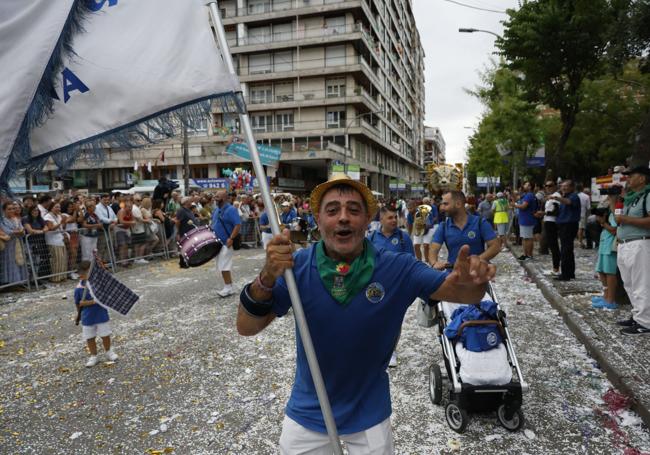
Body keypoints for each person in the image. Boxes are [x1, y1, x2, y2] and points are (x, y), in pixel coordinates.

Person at [236, 176, 495, 453]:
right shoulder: (295, 267)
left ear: (367, 219)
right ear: (318, 220)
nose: (344, 218)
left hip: (369, 413)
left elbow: (462, 294)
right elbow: (247, 326)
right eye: (333, 210)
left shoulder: (398, 267)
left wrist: (472, 282)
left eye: (354, 210)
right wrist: (265, 276)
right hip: (309, 412)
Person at [368, 205, 415, 368]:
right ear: (381, 219)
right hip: (375, 287)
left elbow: (411, 263)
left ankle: (391, 351)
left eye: (395, 217)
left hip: (397, 286)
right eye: (390, 217)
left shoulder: (404, 238)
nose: (394, 220)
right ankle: (375, 349)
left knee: (394, 320)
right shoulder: (371, 237)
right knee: (375, 318)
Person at [614, 165, 650, 334]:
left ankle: (645, 322)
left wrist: (626, 219)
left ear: (642, 178)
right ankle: (638, 316)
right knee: (629, 284)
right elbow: (617, 219)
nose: (627, 178)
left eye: (631, 175)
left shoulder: (648, 196)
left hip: (640, 243)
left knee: (641, 284)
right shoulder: (629, 197)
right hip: (625, 243)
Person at [429, 190, 500, 270]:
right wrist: (434, 263)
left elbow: (495, 246)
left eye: (446, 204)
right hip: (454, 275)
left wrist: (478, 260)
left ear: (458, 204)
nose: (442, 207)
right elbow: (434, 248)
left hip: (477, 275)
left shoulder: (480, 223)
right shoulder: (444, 226)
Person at [74, 260, 119, 367]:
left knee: (105, 335)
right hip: (87, 317)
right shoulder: (79, 289)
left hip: (101, 315)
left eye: (85, 273)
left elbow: (103, 298)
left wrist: (89, 302)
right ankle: (94, 355)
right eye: (81, 273)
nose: (82, 275)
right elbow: (77, 303)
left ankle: (108, 352)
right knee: (89, 337)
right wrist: (78, 314)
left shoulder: (99, 285)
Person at [211, 189, 241, 297]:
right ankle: (229, 286)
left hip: (227, 242)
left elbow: (237, 225)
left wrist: (231, 238)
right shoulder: (215, 210)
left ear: (223, 198)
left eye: (217, 197)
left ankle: (228, 287)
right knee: (221, 265)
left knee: (224, 265)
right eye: (215, 196)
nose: (215, 198)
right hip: (217, 243)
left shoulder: (231, 209)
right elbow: (213, 224)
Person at [591, 198, 619, 310]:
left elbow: (614, 230)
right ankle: (605, 296)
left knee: (610, 273)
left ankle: (610, 300)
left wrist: (603, 222)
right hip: (603, 246)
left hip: (610, 248)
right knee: (601, 271)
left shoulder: (613, 215)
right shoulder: (609, 216)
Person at [553, 180, 581, 281]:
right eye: (562, 186)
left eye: (566, 186)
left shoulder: (573, 196)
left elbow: (569, 202)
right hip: (563, 225)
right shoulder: (565, 197)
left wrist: (557, 198)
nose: (563, 188)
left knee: (565, 250)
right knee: (567, 250)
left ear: (572, 187)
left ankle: (565, 274)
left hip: (569, 225)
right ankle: (570, 273)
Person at [1, 202, 28, 285]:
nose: (11, 210)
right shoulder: (2, 220)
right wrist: (17, 232)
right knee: (10, 262)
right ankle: (10, 282)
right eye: (9, 209)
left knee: (19, 261)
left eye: (13, 208)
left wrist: (20, 231)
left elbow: (22, 229)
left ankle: (19, 281)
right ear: (4, 210)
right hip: (8, 245)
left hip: (18, 243)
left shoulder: (16, 219)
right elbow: (6, 231)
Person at [22, 204, 50, 279]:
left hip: (38, 243)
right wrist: (41, 231)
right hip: (29, 243)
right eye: (34, 210)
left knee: (37, 261)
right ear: (30, 211)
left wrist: (40, 231)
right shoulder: (25, 219)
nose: (36, 212)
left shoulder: (40, 219)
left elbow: (46, 228)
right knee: (29, 262)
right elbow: (30, 231)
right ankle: (28, 279)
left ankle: (35, 278)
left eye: (37, 210)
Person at [512, 182, 537, 261]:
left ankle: (528, 255)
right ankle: (525, 254)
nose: (523, 185)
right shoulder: (526, 195)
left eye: (525, 184)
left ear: (530, 187)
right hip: (524, 219)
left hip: (527, 219)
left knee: (528, 238)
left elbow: (523, 206)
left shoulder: (529, 195)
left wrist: (514, 205)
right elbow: (517, 198)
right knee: (524, 238)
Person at [44, 202, 68, 282]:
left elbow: (61, 227)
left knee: (63, 259)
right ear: (51, 208)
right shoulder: (48, 216)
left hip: (60, 239)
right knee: (57, 260)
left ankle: (62, 276)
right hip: (52, 241)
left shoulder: (58, 216)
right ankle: (55, 277)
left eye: (59, 207)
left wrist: (63, 223)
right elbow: (51, 228)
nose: (58, 209)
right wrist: (61, 223)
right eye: (56, 207)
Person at [542, 181, 561, 276]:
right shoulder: (550, 196)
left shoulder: (556, 196)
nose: (548, 187)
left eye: (550, 185)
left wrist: (544, 213)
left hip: (552, 222)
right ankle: (555, 267)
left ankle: (556, 268)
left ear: (555, 186)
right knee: (552, 245)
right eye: (546, 185)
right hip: (548, 221)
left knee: (553, 245)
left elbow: (556, 211)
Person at [176, 197, 199, 268]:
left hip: (190, 231)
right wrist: (178, 232)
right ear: (186, 202)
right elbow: (178, 222)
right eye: (189, 201)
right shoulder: (181, 210)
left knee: (189, 247)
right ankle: (183, 263)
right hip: (184, 231)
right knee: (185, 247)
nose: (191, 202)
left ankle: (188, 261)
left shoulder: (188, 210)